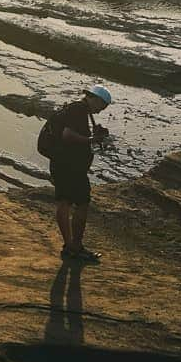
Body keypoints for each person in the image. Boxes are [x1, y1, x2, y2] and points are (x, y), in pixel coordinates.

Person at [47, 84, 112, 263]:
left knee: (64, 202)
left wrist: (92, 136)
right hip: (71, 167)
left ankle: (70, 246)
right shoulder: (79, 110)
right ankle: (76, 246)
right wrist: (92, 139)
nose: (102, 109)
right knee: (82, 203)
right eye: (103, 105)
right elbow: (68, 135)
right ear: (95, 99)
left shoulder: (72, 108)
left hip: (59, 162)